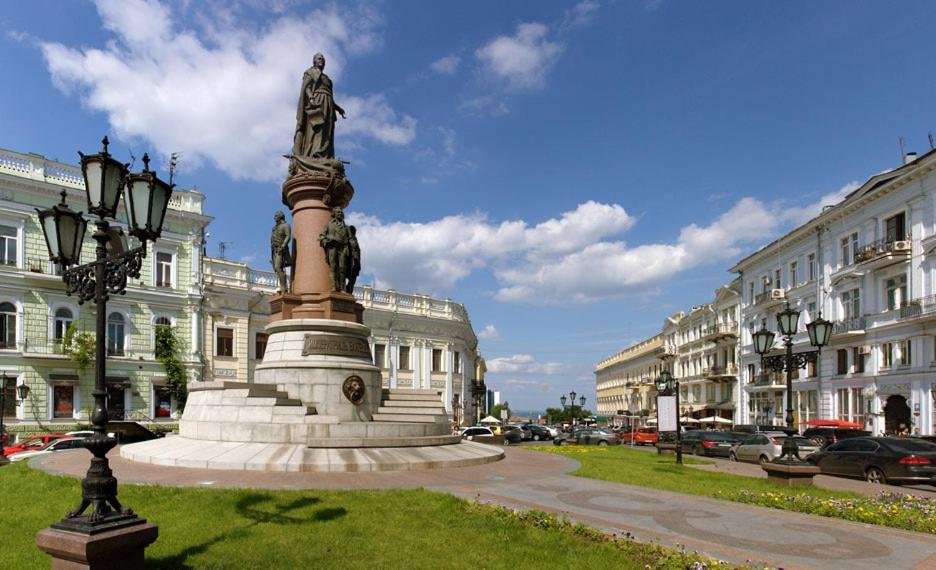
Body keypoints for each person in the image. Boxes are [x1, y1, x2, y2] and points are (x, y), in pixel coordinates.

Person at [293, 53, 345, 161]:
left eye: (323, 59)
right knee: (317, 128)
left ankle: (325, 155)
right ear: (314, 61)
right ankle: (314, 153)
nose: (322, 60)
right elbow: (306, 88)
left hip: (328, 104)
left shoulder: (327, 78)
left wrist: (338, 108)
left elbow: (330, 96)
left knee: (327, 130)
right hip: (317, 101)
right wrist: (311, 98)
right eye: (319, 58)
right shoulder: (310, 72)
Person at [319, 207, 351, 292]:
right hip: (332, 247)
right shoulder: (329, 225)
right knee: (333, 267)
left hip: (343, 248)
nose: (340, 213)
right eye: (338, 212)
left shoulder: (346, 227)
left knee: (342, 268)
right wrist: (325, 240)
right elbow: (322, 235)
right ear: (334, 214)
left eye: (341, 212)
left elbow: (350, 239)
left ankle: (342, 288)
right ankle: (333, 286)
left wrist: (349, 248)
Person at [270, 211, 292, 293]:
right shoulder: (275, 227)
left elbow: (288, 236)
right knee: (277, 268)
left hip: (281, 249)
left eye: (276, 216)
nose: (274, 217)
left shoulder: (286, 225)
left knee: (277, 267)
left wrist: (283, 246)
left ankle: (284, 288)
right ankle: (283, 287)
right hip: (274, 249)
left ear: (281, 216)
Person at [345, 225, 361, 293]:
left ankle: (348, 290)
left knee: (352, 280)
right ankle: (346, 289)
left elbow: (357, 252)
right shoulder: (348, 239)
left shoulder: (354, 239)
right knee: (349, 278)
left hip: (355, 263)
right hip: (349, 263)